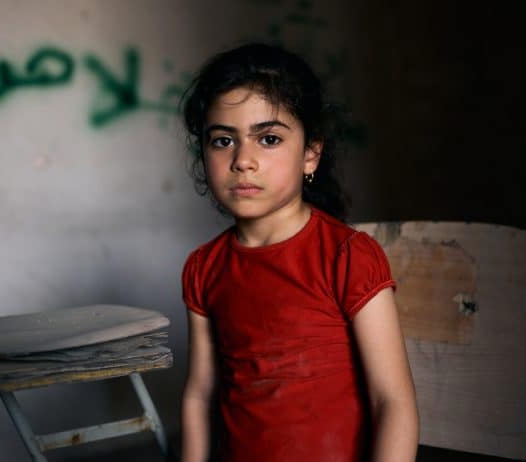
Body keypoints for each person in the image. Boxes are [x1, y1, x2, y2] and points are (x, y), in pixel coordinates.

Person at [180, 43, 419, 462]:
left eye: (268, 138)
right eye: (222, 140)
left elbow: (392, 401)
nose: (243, 161)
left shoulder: (348, 256)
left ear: (311, 154)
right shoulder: (204, 268)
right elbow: (200, 395)